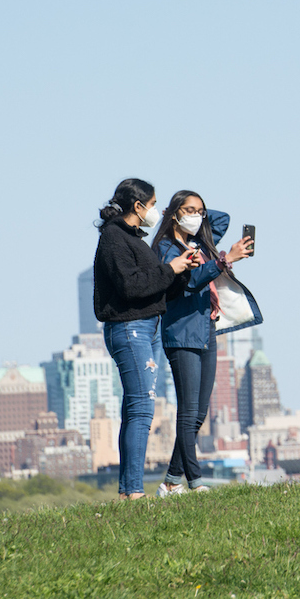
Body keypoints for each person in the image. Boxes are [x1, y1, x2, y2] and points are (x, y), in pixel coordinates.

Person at [94, 178, 200, 499]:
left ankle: (129, 490)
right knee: (141, 409)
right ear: (138, 207)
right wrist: (170, 268)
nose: (156, 211)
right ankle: (134, 491)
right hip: (130, 328)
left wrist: (181, 270)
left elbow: (156, 286)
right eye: (153, 205)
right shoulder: (115, 238)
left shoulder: (134, 238)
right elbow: (132, 286)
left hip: (145, 326)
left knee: (135, 408)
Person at [150, 190, 252, 497]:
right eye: (189, 210)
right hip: (181, 333)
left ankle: (170, 481)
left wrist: (198, 217)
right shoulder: (166, 248)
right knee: (188, 410)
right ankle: (194, 482)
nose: (196, 215)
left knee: (199, 412)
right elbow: (189, 282)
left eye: (200, 211)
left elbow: (222, 220)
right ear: (173, 213)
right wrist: (224, 260)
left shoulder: (199, 244)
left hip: (205, 328)